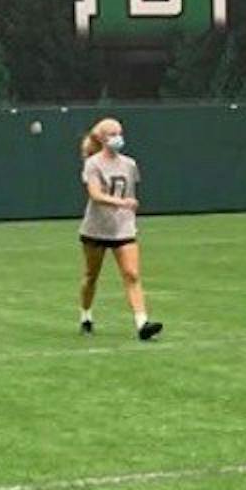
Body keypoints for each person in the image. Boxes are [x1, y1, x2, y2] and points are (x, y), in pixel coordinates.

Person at [77, 117, 162, 340]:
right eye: (113, 135)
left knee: (132, 274)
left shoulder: (129, 164)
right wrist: (121, 203)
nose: (118, 138)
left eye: (120, 133)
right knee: (90, 276)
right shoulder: (93, 164)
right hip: (96, 229)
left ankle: (142, 323)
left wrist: (129, 209)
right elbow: (95, 195)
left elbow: (130, 193)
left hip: (123, 229)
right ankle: (86, 315)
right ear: (103, 139)